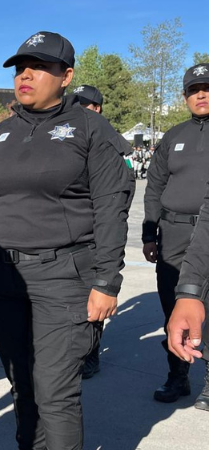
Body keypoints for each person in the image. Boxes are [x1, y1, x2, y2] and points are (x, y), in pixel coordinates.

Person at [0, 32, 130, 450]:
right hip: (2, 275)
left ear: (67, 77)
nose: (25, 76)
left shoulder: (91, 131)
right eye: (19, 68)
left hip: (63, 275)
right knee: (21, 382)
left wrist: (107, 281)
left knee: (55, 385)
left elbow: (111, 209)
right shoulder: (3, 132)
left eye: (38, 67)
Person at [143, 63, 209, 407]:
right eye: (193, 89)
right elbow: (154, 186)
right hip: (173, 235)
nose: (201, 94)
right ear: (185, 96)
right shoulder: (173, 136)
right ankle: (177, 376)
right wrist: (149, 233)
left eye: (207, 87)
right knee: (172, 307)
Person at [73, 84, 135, 380]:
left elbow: (121, 194)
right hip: (74, 236)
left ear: (97, 108)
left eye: (84, 105)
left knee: (92, 298)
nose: (78, 110)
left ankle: (90, 353)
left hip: (98, 234)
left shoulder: (111, 140)